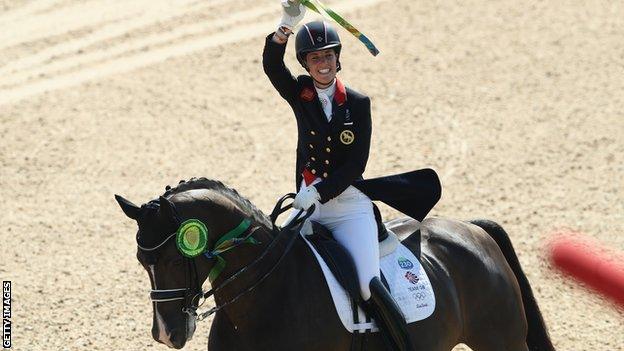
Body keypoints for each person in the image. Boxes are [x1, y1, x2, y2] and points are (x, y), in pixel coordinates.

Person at [262, 1, 414, 350]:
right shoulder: (300, 94)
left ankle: (397, 343)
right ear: (306, 63)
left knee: (365, 283)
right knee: (285, 273)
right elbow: (272, 65)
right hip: (307, 205)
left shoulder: (358, 104)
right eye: (316, 58)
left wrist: (319, 192)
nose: (323, 63)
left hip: (348, 206)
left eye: (328, 56)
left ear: (337, 58)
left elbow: (355, 165)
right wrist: (286, 25)